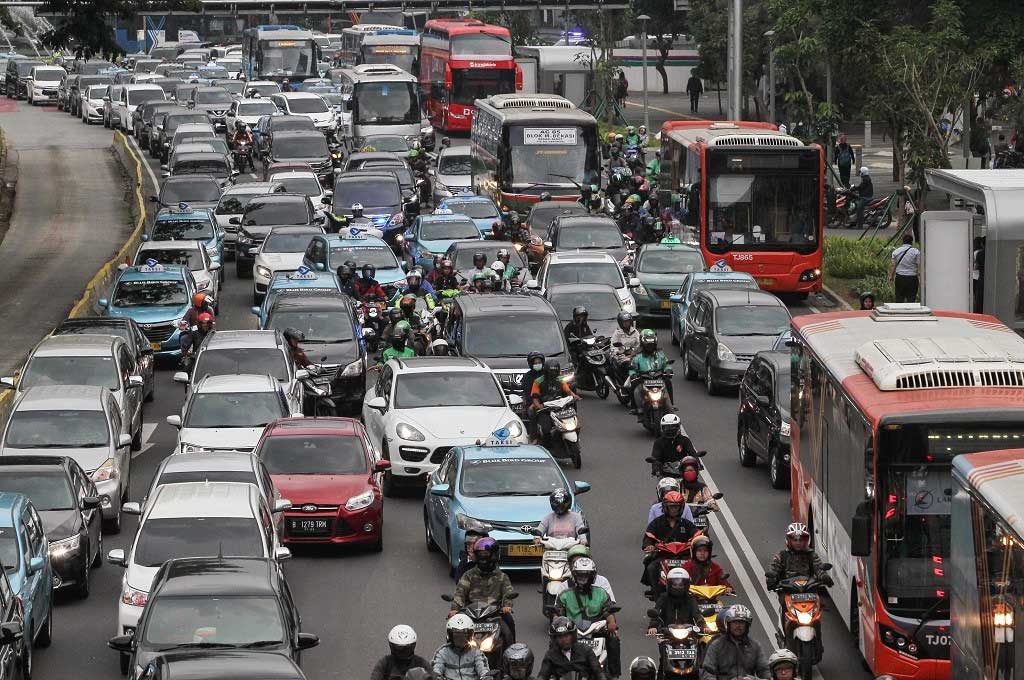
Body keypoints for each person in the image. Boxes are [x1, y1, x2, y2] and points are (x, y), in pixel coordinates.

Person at [555, 558, 620, 679]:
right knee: (554, 641)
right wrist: (556, 623)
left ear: (593, 576)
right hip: (571, 632)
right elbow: (558, 613)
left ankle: (613, 674)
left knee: (614, 639)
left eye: (587, 575)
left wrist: (611, 623)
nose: (583, 578)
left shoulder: (601, 593)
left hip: (596, 631)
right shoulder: (564, 594)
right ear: (574, 575)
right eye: (580, 575)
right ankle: (554, 673)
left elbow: (609, 611)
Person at [449, 537, 516, 646]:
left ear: (494, 555)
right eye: (480, 554)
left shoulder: (501, 576)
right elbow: (460, 593)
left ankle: (511, 652)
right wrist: (455, 609)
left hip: (495, 615)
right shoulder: (468, 575)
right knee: (453, 631)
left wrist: (507, 606)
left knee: (509, 624)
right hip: (471, 615)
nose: (483, 557)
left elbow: (508, 593)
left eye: (486, 554)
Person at [642, 491, 700, 592]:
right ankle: (657, 594)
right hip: (663, 556)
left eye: (676, 507)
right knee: (651, 568)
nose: (674, 509)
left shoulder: (686, 524)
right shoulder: (657, 522)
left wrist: (700, 541)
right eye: (671, 506)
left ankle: (696, 591)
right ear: (666, 507)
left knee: (698, 566)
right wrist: (649, 545)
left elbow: (697, 535)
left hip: (684, 556)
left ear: (681, 508)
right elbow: (648, 536)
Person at [699, 605, 770, 680]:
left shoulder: (755, 646)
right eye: (735, 622)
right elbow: (707, 670)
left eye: (742, 623)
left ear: (747, 625)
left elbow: (764, 671)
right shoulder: (716, 645)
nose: (738, 626)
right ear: (728, 624)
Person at [539, 617, 606, 680]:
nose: (564, 639)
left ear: (573, 635)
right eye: (560, 637)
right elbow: (542, 676)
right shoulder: (550, 655)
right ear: (555, 639)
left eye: (567, 635)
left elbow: (598, 672)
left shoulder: (586, 650)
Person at [531, 359, 581, 443]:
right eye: (550, 372)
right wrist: (538, 405)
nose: (552, 374)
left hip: (560, 406)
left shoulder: (560, 379)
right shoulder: (538, 381)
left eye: (554, 372)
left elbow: (568, 391)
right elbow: (535, 397)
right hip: (546, 408)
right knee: (546, 428)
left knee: (576, 423)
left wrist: (575, 396)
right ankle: (540, 440)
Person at [646, 568, 705, 635]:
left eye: (680, 585)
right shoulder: (663, 598)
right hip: (667, 634)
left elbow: (697, 614)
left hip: (689, 634)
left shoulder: (690, 598)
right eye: (675, 585)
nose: (678, 587)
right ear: (669, 584)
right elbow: (657, 613)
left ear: (686, 585)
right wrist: (653, 627)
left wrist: (703, 626)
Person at [432, 614, 490, 680]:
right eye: (457, 635)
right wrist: (437, 677)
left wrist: (486, 676)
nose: (460, 638)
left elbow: (483, 670)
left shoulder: (476, 652)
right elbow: (436, 671)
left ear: (470, 635)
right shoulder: (442, 652)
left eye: (464, 635)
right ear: (450, 635)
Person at [629, 329, 672, 414]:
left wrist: (668, 370)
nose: (650, 347)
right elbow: (632, 368)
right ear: (643, 344)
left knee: (668, 382)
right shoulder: (637, 356)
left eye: (652, 345)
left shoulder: (660, 354)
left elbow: (666, 363)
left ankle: (672, 403)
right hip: (643, 378)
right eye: (648, 345)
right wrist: (633, 375)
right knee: (633, 386)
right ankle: (634, 407)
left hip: (658, 378)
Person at [552, 545, 616, 602]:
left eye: (581, 561)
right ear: (569, 565)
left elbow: (610, 606)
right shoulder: (564, 586)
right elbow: (558, 610)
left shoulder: (602, 581)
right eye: (574, 562)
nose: (579, 565)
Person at [609, 311, 640, 385]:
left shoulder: (635, 332)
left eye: (628, 321)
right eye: (624, 322)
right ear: (621, 323)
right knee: (628, 365)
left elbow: (639, 344)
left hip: (633, 355)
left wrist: (635, 352)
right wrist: (617, 352)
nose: (626, 323)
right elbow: (613, 346)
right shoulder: (617, 333)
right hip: (621, 357)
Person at [888, 233, 920, 303]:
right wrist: (920, 277)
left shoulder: (896, 251)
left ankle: (899, 313)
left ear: (903, 241)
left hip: (900, 278)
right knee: (911, 299)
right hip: (912, 278)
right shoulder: (916, 252)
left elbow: (893, 265)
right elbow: (919, 265)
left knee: (899, 299)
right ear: (912, 242)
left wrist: (891, 276)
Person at [973, 236, 985, 313]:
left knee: (979, 298)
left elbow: (976, 267)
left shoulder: (978, 253)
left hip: (978, 277)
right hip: (983, 277)